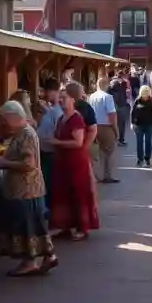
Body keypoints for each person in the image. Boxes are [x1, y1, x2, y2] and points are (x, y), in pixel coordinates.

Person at [0, 101, 58, 276]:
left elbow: (28, 164)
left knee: (28, 227)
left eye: (4, 119)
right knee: (35, 226)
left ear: (13, 117)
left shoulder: (26, 134)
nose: (3, 124)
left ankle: (30, 261)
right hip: (26, 190)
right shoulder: (22, 133)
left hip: (26, 190)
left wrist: (4, 163)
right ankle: (47, 257)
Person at [46, 86, 100, 241]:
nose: (61, 100)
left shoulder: (76, 118)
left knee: (78, 194)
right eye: (60, 97)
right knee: (64, 194)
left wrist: (56, 142)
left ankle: (82, 228)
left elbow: (78, 142)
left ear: (73, 100)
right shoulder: (62, 118)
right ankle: (65, 226)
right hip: (63, 161)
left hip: (76, 162)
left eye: (65, 98)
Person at [35, 79, 63, 215]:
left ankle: (48, 213)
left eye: (45, 92)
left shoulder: (56, 111)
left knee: (47, 183)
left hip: (49, 152)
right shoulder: (53, 109)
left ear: (52, 92)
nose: (44, 95)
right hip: (47, 150)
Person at [88, 78, 119, 184]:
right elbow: (112, 115)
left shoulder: (91, 97)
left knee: (98, 152)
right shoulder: (108, 97)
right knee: (109, 152)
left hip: (94, 126)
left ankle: (98, 175)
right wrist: (115, 129)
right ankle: (108, 175)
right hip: (106, 127)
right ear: (105, 85)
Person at [131, 85, 152, 167]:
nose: (145, 97)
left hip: (150, 125)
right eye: (143, 96)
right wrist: (132, 123)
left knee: (148, 142)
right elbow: (133, 112)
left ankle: (147, 159)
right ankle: (140, 159)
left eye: (146, 96)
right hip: (139, 125)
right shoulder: (137, 101)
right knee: (139, 142)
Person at [109, 72, 130, 146]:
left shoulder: (112, 83)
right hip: (120, 105)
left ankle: (117, 139)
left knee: (116, 124)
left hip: (116, 105)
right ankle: (120, 140)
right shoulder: (118, 83)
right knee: (121, 124)